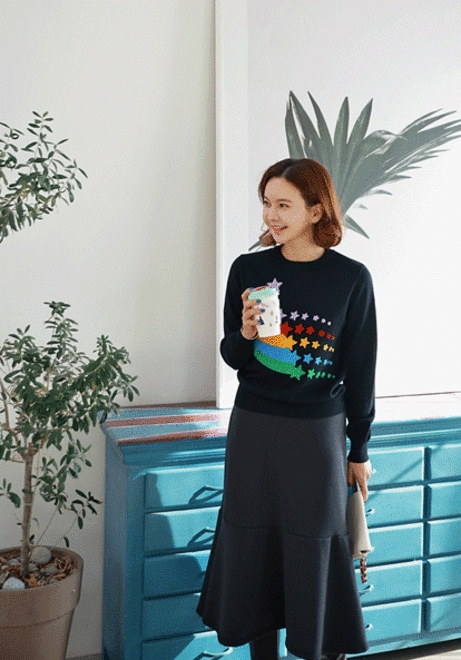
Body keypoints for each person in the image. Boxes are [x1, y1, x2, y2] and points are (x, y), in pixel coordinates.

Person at [196, 158, 377, 660]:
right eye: (266, 203)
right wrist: (245, 332)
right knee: (255, 546)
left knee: (315, 543)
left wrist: (359, 447)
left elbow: (362, 369)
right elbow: (233, 356)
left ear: (316, 211)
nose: (271, 215)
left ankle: (316, 650)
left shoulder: (351, 278)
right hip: (254, 428)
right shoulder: (249, 269)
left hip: (317, 435)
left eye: (283, 205)